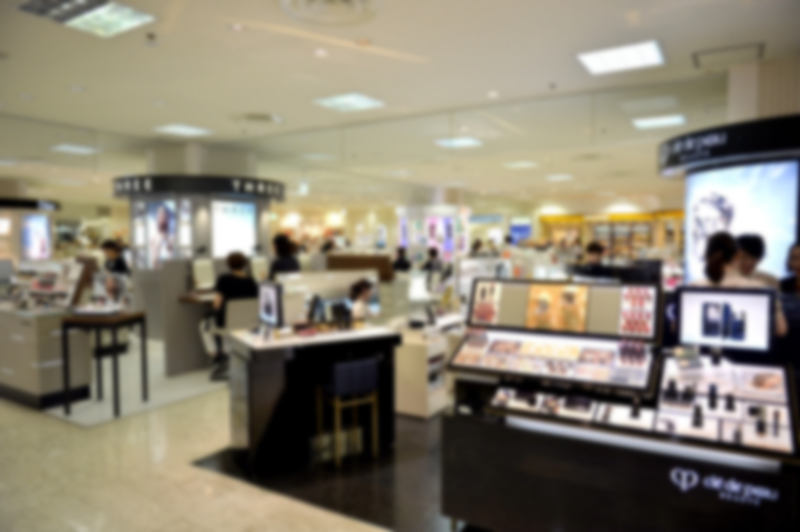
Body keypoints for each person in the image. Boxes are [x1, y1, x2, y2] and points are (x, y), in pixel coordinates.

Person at [694, 232, 786, 336]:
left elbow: (779, 328)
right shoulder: (710, 282)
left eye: (755, 258)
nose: (749, 262)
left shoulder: (769, 281)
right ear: (736, 256)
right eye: (745, 257)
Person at [204, 252, 259, 380]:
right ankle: (225, 352)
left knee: (204, 325)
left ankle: (216, 353)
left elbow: (217, 304)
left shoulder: (224, 279)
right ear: (244, 264)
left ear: (228, 264)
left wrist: (214, 309)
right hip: (248, 323)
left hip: (227, 323)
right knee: (222, 324)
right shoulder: (252, 280)